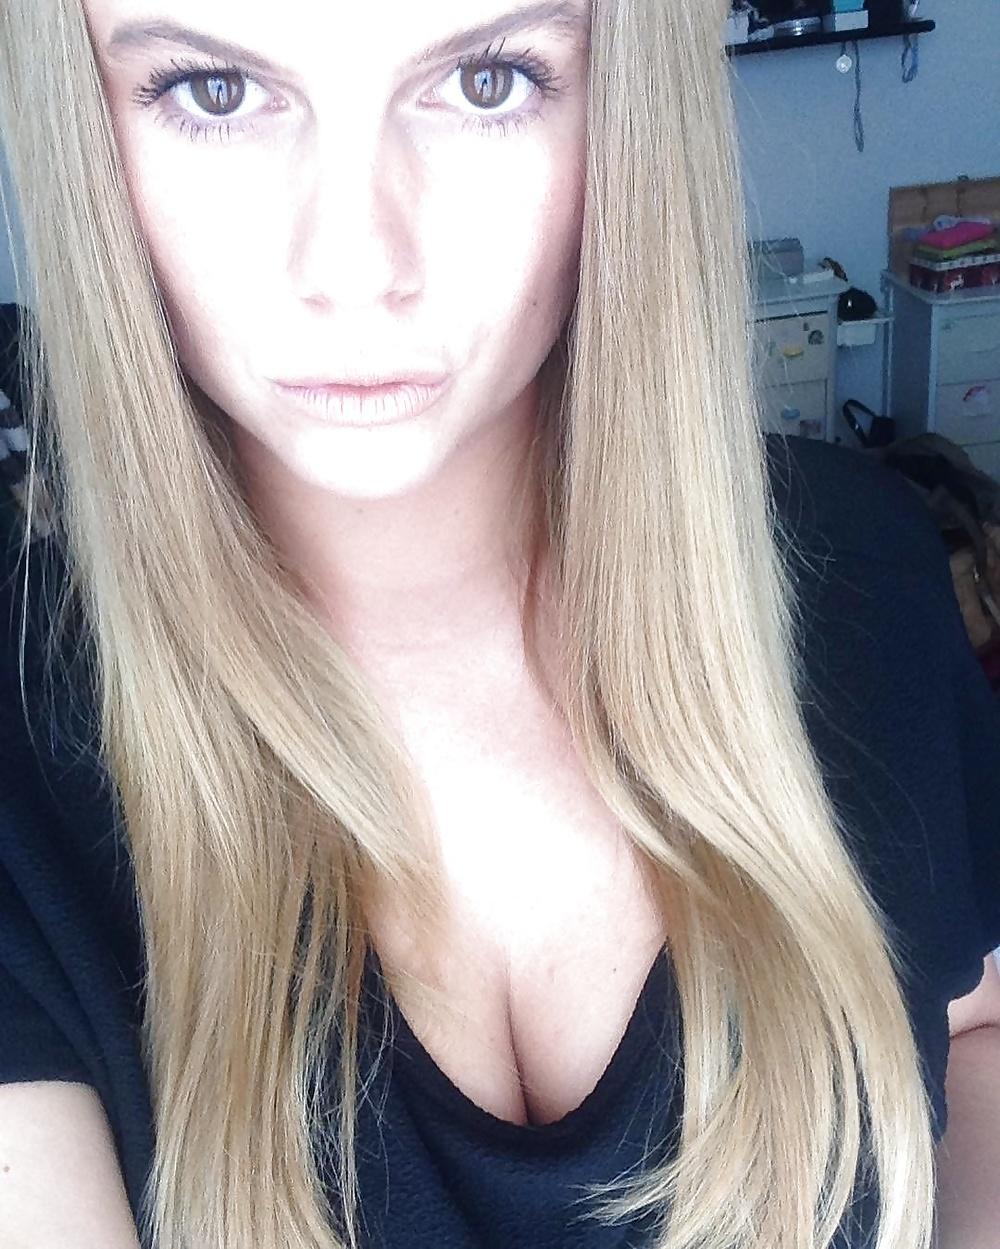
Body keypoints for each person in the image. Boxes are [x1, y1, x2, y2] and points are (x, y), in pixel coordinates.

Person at [0, 2, 997, 1248]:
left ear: (625, 111)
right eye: (214, 92)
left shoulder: (861, 568)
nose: (355, 264)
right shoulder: (22, 751)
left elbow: (970, 1015)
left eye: (485, 80)